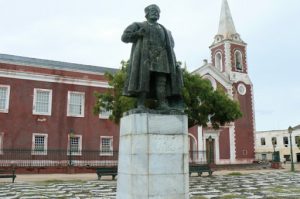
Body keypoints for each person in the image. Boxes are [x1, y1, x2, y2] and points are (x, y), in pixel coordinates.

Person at [121, 4, 183, 111]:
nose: (155, 13)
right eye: (153, 10)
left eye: (157, 11)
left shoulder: (166, 31)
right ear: (147, 14)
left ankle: (162, 103)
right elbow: (124, 37)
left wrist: (174, 62)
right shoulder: (138, 25)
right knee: (143, 79)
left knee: (161, 81)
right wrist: (137, 34)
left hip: (162, 58)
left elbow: (171, 47)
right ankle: (141, 104)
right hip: (145, 57)